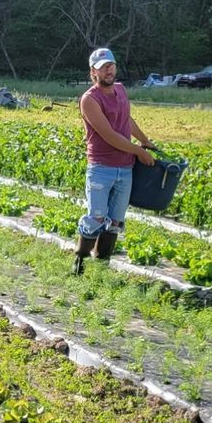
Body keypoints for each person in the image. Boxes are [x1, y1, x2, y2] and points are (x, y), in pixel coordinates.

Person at [74, 48, 155, 274]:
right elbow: (109, 135)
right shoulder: (89, 100)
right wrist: (139, 153)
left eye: (111, 65)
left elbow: (126, 120)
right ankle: (80, 260)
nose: (108, 70)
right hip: (101, 168)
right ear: (94, 72)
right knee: (96, 218)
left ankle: (101, 266)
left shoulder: (120, 90)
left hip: (124, 168)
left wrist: (145, 142)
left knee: (116, 222)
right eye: (103, 68)